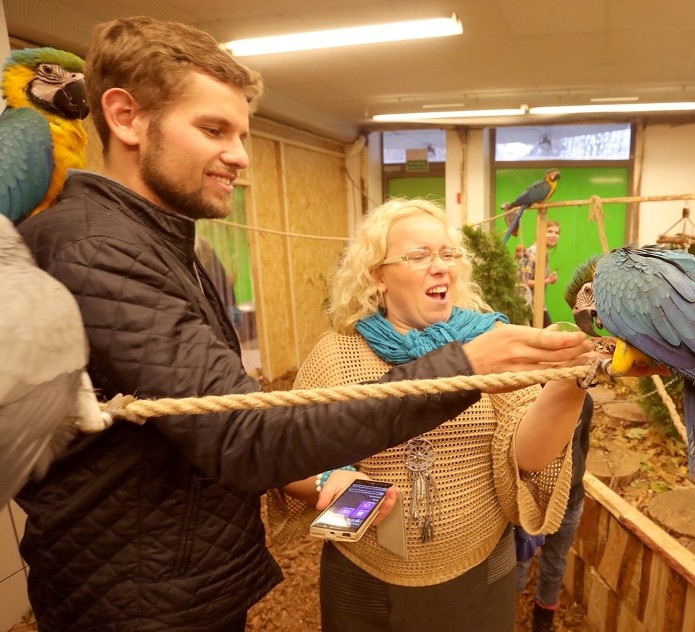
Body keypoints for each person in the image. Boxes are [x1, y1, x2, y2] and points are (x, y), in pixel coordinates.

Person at [13, 17, 596, 631]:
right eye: (213, 129)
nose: (239, 155)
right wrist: (465, 367)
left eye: (448, 253)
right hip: (143, 599)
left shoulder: (172, 248)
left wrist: (559, 383)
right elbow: (248, 438)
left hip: (193, 581)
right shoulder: (100, 249)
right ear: (126, 118)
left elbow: (224, 421)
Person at [274, 198, 595, 632]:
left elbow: (530, 457)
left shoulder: (492, 343)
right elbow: (281, 457)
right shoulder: (338, 355)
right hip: (366, 581)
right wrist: (325, 481)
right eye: (419, 255)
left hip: (479, 573)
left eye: (448, 254)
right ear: (378, 276)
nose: (441, 266)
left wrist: (569, 383)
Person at [515, 396, 593, 632]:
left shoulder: (583, 401)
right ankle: (509, 610)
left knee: (556, 562)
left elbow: (583, 445)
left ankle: (543, 618)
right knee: (520, 560)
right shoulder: (527, 401)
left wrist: (575, 477)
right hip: (528, 500)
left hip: (570, 500)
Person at [519, 220, 561, 327]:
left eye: (556, 233)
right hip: (528, 305)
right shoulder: (533, 252)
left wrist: (548, 278)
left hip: (538, 304)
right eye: (550, 231)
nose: (554, 235)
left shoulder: (543, 252)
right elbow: (522, 282)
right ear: (541, 233)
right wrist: (547, 280)